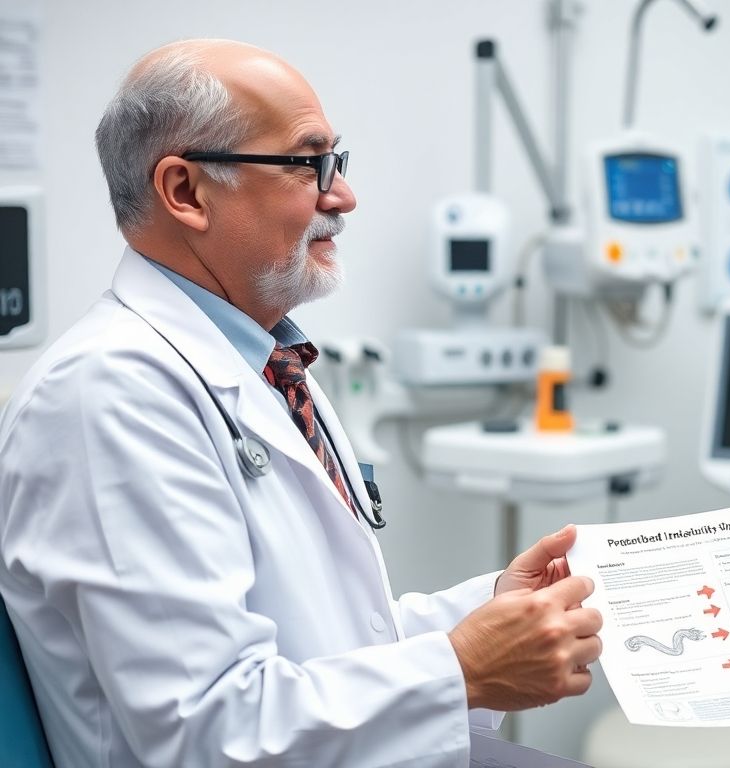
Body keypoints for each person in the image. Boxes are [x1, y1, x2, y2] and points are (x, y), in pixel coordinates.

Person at [0, 39, 602, 767]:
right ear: (186, 191)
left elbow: (334, 644)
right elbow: (206, 733)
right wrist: (463, 670)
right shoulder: (107, 398)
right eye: (306, 163)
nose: (341, 195)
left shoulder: (268, 360)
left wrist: (492, 614)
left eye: (335, 162)